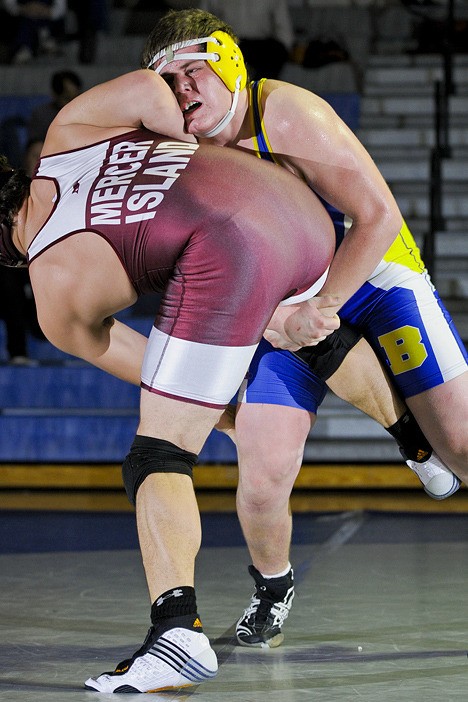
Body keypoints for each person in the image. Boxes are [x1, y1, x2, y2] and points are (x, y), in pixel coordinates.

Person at [0, 67, 339, 692]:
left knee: (156, 455)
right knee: (312, 331)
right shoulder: (66, 133)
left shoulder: (53, 296)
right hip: (306, 218)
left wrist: (227, 422)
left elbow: (146, 364)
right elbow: (157, 92)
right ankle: (411, 434)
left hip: (231, 251)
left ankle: (175, 632)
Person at [141, 8, 468, 648]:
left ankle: (421, 440)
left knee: (462, 442)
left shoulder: (284, 113)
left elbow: (377, 216)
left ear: (229, 61)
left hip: (376, 282)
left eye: (192, 71)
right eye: (168, 82)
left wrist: (319, 311)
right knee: (262, 476)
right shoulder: (180, 153)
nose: (183, 92)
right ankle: (273, 584)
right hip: (290, 305)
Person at [197, 0, 294, 79]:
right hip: (226, 45)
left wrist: (283, 51)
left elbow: (284, 29)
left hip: (262, 47)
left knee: (275, 52)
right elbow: (201, 22)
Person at [24, 70, 83, 177]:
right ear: (55, 95)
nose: (70, 103)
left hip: (80, 153)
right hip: (53, 155)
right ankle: (33, 186)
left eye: (75, 98)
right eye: (67, 98)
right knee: (36, 149)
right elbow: (36, 146)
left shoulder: (85, 112)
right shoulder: (42, 114)